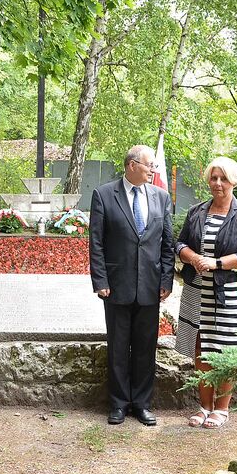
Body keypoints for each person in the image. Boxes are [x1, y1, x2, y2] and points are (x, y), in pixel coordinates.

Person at [89, 145, 175, 426]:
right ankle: (118, 404)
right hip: (116, 286)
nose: (153, 170)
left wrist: (166, 280)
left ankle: (141, 404)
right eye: (150, 165)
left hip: (150, 286)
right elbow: (97, 242)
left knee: (145, 347)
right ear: (132, 165)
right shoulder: (103, 195)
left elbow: (167, 243)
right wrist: (100, 280)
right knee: (117, 347)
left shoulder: (161, 197)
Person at [176, 157, 237, 429]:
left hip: (229, 292)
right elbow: (179, 244)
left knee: (226, 348)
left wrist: (217, 263)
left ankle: (221, 408)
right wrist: (194, 258)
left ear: (233, 181)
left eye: (223, 178)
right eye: (214, 178)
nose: (218, 183)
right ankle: (203, 405)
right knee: (201, 346)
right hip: (198, 289)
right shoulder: (197, 211)